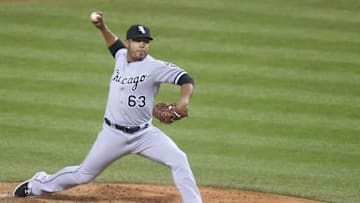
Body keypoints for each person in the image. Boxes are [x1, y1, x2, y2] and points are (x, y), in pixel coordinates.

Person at [13, 11, 203, 203]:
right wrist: (102, 27)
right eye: (138, 41)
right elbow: (114, 44)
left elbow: (185, 79)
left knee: (179, 159)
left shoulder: (155, 66)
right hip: (113, 134)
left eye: (146, 41)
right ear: (129, 43)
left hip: (145, 135)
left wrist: (184, 101)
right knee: (83, 175)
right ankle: (37, 184)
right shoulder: (121, 56)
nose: (142, 45)